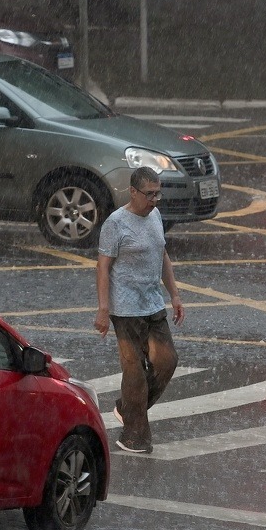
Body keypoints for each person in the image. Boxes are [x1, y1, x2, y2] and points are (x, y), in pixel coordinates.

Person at [94, 166, 184, 454]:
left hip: (153, 303)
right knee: (133, 371)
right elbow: (103, 266)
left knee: (167, 361)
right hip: (126, 309)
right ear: (132, 192)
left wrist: (175, 295)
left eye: (158, 193)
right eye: (149, 194)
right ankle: (134, 437)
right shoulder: (116, 223)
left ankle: (127, 407)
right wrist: (103, 309)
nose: (155, 199)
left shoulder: (155, 215)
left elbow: (163, 255)